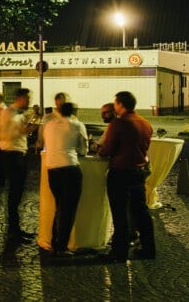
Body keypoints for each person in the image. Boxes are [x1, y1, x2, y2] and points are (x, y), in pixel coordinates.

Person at [99, 91, 155, 262]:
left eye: (115, 103)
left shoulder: (119, 123)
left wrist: (100, 150)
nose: (114, 106)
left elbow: (107, 150)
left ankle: (119, 253)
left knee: (120, 213)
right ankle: (148, 248)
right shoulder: (145, 123)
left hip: (120, 171)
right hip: (138, 172)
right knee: (141, 212)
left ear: (120, 104)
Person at [42, 101, 88, 256]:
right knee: (68, 210)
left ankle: (55, 242)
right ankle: (62, 247)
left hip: (52, 169)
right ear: (74, 111)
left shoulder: (49, 125)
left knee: (59, 206)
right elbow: (83, 150)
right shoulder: (77, 125)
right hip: (70, 168)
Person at [0, 87, 36, 243]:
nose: (30, 102)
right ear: (20, 98)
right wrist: (23, 131)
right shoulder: (8, 114)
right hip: (11, 155)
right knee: (14, 194)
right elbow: (1, 135)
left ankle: (15, 229)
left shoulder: (18, 114)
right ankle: (13, 231)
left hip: (18, 154)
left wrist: (27, 128)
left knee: (17, 193)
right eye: (28, 99)